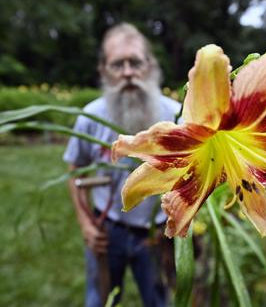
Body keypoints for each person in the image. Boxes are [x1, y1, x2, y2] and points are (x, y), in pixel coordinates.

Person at [63, 23, 180, 307]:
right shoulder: (90, 117)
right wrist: (85, 225)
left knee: (158, 299)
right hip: (108, 230)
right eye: (118, 65)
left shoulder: (176, 116)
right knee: (100, 299)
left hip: (157, 231)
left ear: (150, 66)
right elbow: (74, 169)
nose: (128, 72)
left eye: (135, 62)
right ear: (104, 71)